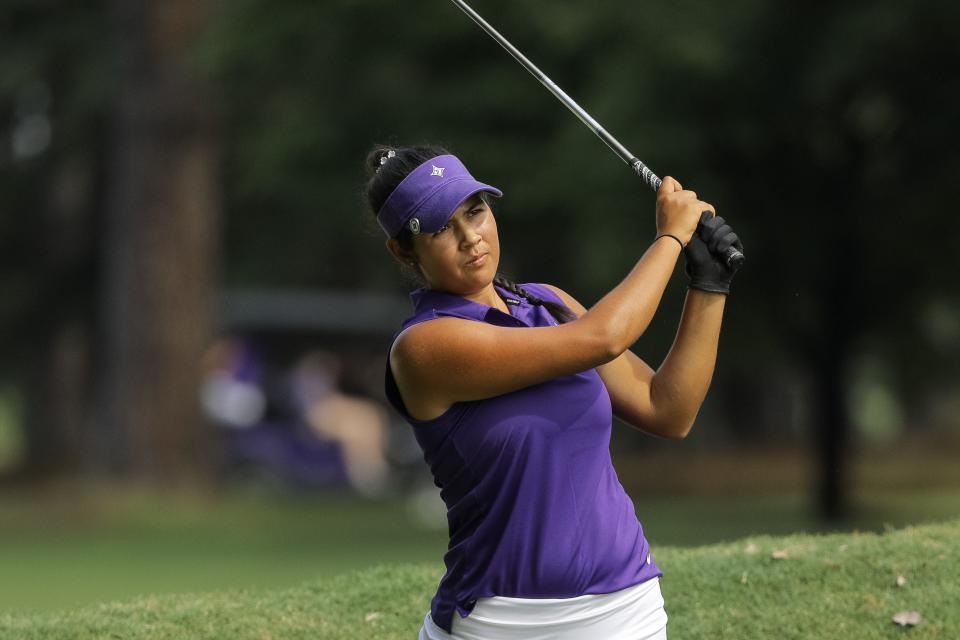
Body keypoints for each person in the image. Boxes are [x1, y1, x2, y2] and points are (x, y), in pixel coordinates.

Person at [364, 144, 743, 640]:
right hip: (503, 623)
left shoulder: (548, 303)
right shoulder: (423, 347)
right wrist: (671, 237)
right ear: (402, 249)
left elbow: (667, 409)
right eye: (438, 228)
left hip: (629, 610)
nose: (469, 237)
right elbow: (604, 337)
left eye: (475, 212)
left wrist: (707, 284)